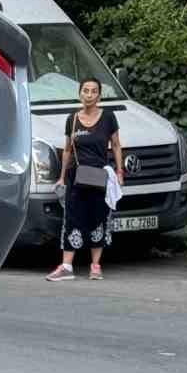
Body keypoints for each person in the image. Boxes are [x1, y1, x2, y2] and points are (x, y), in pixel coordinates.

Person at [47, 76, 125, 282]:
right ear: (79, 93)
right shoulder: (72, 119)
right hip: (76, 175)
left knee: (98, 218)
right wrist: (62, 177)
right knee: (72, 217)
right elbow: (67, 150)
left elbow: (116, 145)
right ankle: (66, 266)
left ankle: (96, 266)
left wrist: (119, 172)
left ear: (99, 95)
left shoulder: (108, 117)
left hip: (100, 175)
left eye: (93, 91)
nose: (89, 95)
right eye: (85, 91)